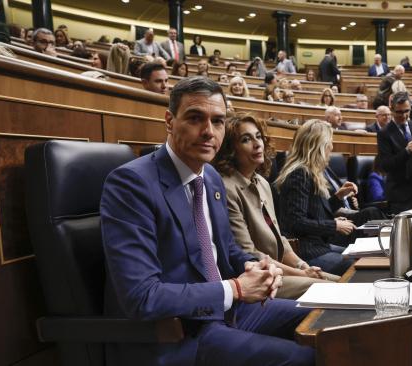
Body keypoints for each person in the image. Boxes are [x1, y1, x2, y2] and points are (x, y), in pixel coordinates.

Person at [100, 76, 314, 366]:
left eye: (218, 121)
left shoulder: (211, 177)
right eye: (195, 118)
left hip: (231, 313)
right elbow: (141, 296)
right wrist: (235, 289)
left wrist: (253, 266)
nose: (208, 131)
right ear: (169, 121)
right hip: (183, 333)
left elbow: (226, 250)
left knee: (327, 318)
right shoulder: (131, 183)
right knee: (305, 358)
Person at [213, 115, 338, 299]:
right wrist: (301, 274)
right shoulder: (226, 188)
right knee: (333, 289)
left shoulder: (263, 183)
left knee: (342, 281)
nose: (257, 144)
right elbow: (250, 253)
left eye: (258, 137)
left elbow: (280, 240)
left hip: (280, 268)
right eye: (246, 139)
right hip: (258, 276)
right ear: (231, 149)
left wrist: (303, 266)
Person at [275, 120, 356, 275]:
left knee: (358, 256)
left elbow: (315, 213)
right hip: (307, 252)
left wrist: (338, 197)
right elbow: (296, 223)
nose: (332, 147)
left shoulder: (311, 172)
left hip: (318, 245)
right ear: (318, 146)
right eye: (329, 143)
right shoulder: (299, 174)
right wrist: (334, 225)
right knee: (355, 265)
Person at [376, 91, 412, 213]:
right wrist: (406, 151)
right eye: (399, 112)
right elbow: (386, 165)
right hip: (399, 194)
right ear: (392, 110)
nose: (404, 115)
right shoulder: (384, 133)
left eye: (407, 111)